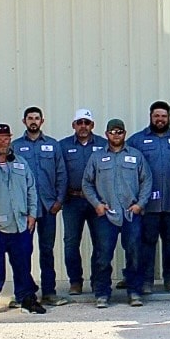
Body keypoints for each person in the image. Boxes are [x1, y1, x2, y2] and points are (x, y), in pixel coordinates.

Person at [0, 123, 46, 317]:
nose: (3, 142)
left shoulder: (21, 163)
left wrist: (32, 215)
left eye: (6, 138)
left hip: (20, 225)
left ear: (11, 139)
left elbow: (32, 190)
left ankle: (27, 299)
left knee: (23, 266)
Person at [82, 118, 151, 307]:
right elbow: (86, 183)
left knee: (135, 253)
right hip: (107, 215)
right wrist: (97, 204)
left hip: (131, 214)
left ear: (125, 134)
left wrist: (140, 204)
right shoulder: (97, 157)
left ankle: (134, 292)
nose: (116, 135)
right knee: (103, 255)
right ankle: (102, 293)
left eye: (119, 131)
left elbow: (147, 181)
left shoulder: (136, 156)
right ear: (106, 134)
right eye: (112, 132)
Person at [13, 107, 70, 306]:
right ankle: (25, 293)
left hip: (48, 207)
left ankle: (49, 292)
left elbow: (62, 174)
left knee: (47, 250)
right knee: (22, 251)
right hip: (25, 210)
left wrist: (59, 201)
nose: (33, 121)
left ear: (42, 121)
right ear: (24, 121)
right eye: (30, 118)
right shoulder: (15, 147)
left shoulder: (53, 146)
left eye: (37, 118)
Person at [129, 101, 170, 293]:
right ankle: (146, 281)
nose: (160, 119)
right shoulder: (137, 141)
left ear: (169, 117)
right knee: (147, 242)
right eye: (156, 116)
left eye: (163, 116)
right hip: (148, 204)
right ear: (151, 116)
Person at [57, 109, 108, 296]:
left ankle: (98, 281)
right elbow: (59, 174)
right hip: (73, 200)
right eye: (79, 122)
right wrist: (59, 199)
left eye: (87, 122)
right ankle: (75, 282)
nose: (83, 126)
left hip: (97, 203)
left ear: (92, 125)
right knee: (71, 243)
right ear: (74, 125)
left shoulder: (104, 145)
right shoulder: (62, 146)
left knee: (101, 243)